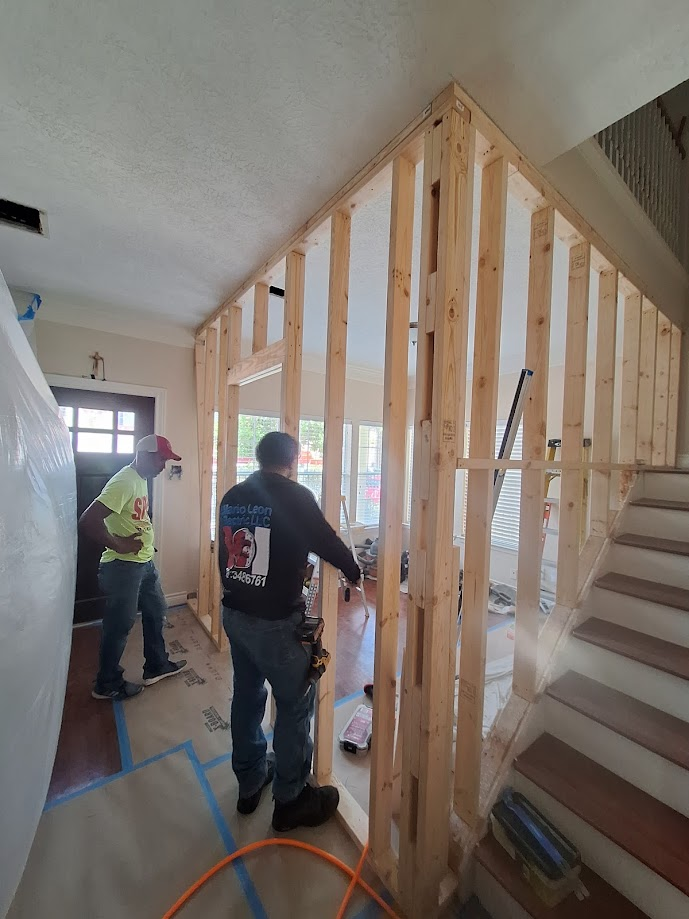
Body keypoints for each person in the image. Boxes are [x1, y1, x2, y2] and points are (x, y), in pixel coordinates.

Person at [218, 431, 361, 832]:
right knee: (295, 704)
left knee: (246, 696)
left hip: (235, 612)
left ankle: (250, 782)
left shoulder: (233, 495)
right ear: (293, 460)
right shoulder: (295, 496)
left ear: (258, 457)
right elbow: (327, 541)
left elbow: (223, 553)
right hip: (275, 623)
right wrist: (353, 569)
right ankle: (292, 798)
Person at [79, 434, 187, 701]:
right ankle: (106, 683)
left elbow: (133, 518)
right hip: (123, 567)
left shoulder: (140, 480)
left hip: (143, 563)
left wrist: (145, 544)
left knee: (156, 610)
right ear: (143, 454)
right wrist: (119, 545)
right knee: (119, 626)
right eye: (160, 459)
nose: (163, 465)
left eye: (166, 459)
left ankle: (156, 665)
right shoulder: (124, 481)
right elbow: (89, 520)